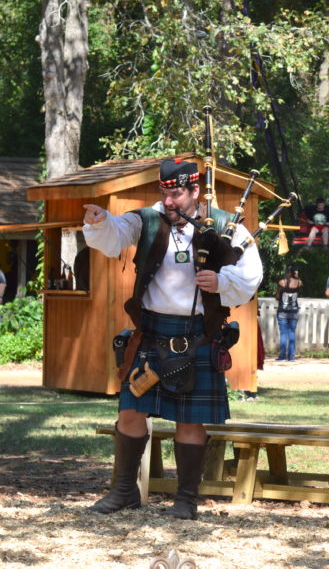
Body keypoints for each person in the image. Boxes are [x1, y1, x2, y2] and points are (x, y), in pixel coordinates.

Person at [82, 158, 263, 520]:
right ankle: (124, 492)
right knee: (130, 413)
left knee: (190, 422)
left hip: (197, 337)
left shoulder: (228, 227)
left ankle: (185, 500)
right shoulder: (147, 220)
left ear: (195, 191)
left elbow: (251, 277)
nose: (169, 201)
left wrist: (222, 282)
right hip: (150, 335)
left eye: (176, 194)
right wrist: (100, 222)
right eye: (164, 193)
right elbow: (117, 233)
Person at [276, 266, 302, 361]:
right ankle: (291, 357)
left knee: (283, 334)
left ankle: (282, 356)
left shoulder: (282, 282)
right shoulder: (298, 282)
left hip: (283, 311)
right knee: (292, 333)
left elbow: (277, 296)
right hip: (294, 311)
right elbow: (298, 283)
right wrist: (297, 276)